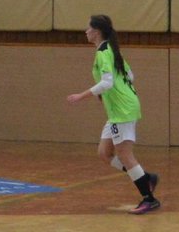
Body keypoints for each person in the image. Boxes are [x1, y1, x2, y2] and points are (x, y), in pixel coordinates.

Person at [65, 14, 157, 214]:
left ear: (97, 31)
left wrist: (81, 96)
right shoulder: (111, 50)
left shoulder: (103, 53)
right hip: (119, 109)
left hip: (122, 110)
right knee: (104, 153)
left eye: (88, 28)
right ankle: (146, 177)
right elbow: (130, 75)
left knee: (124, 154)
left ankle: (149, 198)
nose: (86, 31)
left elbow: (107, 82)